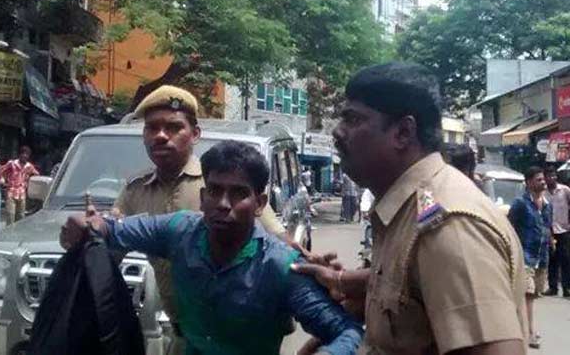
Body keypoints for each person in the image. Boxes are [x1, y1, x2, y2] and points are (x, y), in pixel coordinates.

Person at [292, 62, 527, 355]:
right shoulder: (408, 209)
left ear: (403, 132)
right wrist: (342, 283)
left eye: (353, 119)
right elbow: (408, 289)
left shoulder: (449, 226)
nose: (338, 132)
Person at [60, 141, 363, 355]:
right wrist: (90, 226)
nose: (223, 204)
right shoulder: (179, 230)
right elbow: (115, 230)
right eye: (215, 191)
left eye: (238, 193)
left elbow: (347, 332)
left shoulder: (281, 266)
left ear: (259, 203)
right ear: (203, 196)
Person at [112, 85, 305, 354]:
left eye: (173, 127)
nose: (161, 136)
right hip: (179, 335)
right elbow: (111, 248)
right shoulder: (134, 191)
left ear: (195, 134)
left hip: (236, 341)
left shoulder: (222, 185)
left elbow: (278, 244)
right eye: (152, 128)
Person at [509, 166, 553, 349]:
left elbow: (547, 227)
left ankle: (518, 326)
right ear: (528, 183)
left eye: (543, 179)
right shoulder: (520, 204)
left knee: (533, 295)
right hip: (525, 256)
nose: (543, 182)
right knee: (527, 294)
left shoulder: (547, 205)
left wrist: (550, 243)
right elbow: (509, 227)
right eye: (538, 180)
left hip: (541, 256)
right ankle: (529, 333)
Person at [543, 165, 570, 297]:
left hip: (564, 229)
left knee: (566, 259)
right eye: (549, 176)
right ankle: (552, 287)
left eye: (553, 175)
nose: (551, 178)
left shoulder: (565, 190)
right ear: (545, 178)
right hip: (549, 230)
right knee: (552, 259)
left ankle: (567, 288)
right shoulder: (543, 192)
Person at [0, 146, 40, 225]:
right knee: (10, 216)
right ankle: (9, 232)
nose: (25, 156)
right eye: (23, 154)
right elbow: (0, 171)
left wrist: (29, 181)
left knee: (20, 217)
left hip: (22, 194)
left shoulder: (29, 166)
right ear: (19, 154)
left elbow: (37, 175)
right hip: (11, 193)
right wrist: (2, 181)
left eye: (27, 154)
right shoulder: (12, 163)